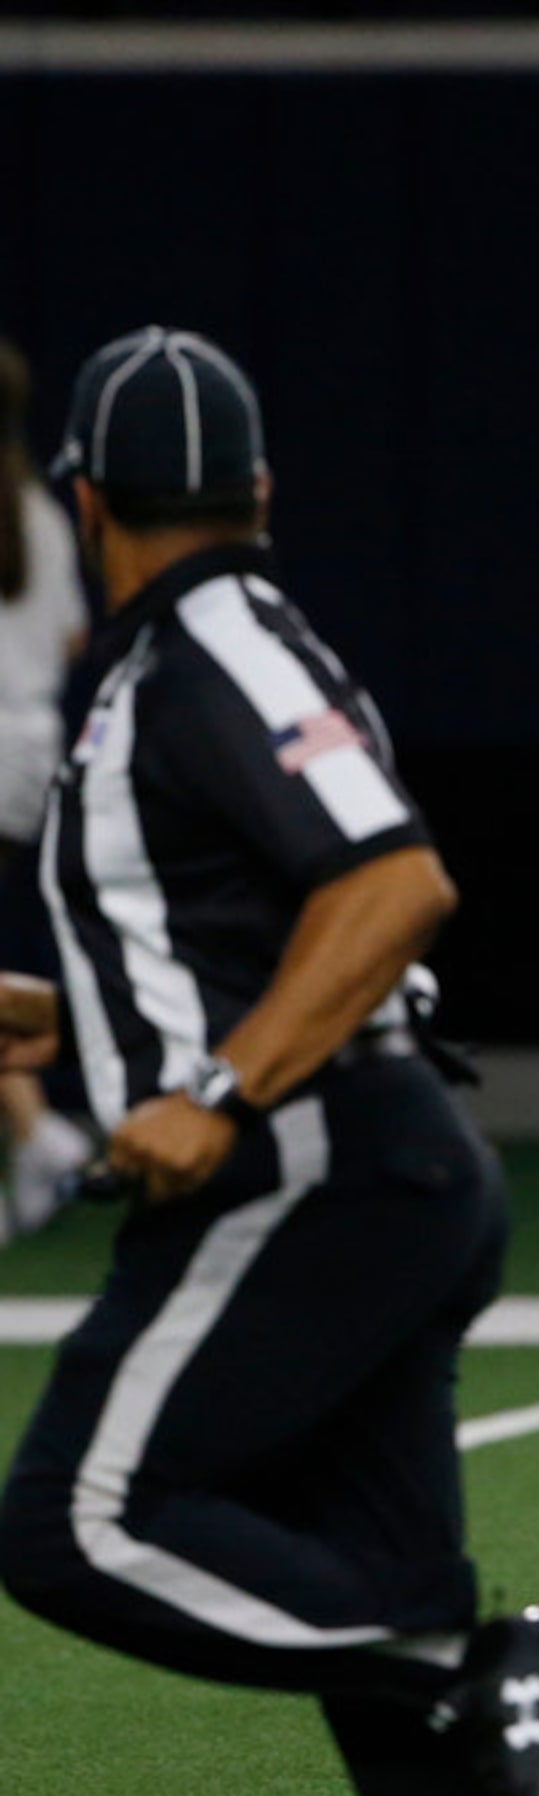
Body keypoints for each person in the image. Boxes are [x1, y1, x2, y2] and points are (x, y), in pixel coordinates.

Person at [0, 328, 539, 1796]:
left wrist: (211, 1080)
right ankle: (466, 1694)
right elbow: (250, 928)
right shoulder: (228, 639)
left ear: (85, 498)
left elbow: (394, 884)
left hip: (308, 1172)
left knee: (75, 1519)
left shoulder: (203, 649)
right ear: (260, 486)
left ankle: (485, 1681)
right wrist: (92, 1030)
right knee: (384, 1619)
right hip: (376, 1171)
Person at [0, 337, 98, 1238]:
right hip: (30, 757)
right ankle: (37, 1140)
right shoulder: (41, 514)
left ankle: (40, 1137)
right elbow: (70, 639)